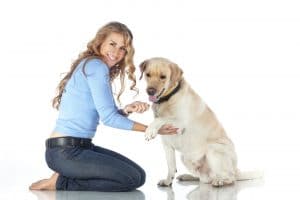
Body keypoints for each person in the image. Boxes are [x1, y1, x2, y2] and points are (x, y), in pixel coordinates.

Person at [29, 21, 178, 192]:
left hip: (77, 148)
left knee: (138, 175)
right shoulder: (96, 66)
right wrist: (153, 129)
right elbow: (109, 119)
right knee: (132, 179)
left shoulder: (92, 65)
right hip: (66, 152)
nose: (116, 52)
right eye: (112, 44)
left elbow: (106, 113)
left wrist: (126, 110)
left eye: (123, 48)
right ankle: (61, 183)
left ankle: (65, 174)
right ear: (100, 42)